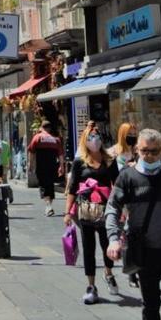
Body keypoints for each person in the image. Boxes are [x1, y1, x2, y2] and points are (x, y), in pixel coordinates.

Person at [106, 128, 161, 320]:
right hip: (145, 251)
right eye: (145, 151)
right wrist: (113, 239)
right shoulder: (128, 177)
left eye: (155, 151)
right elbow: (112, 209)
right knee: (151, 305)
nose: (149, 156)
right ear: (137, 150)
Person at [64, 124, 118, 305]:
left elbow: (117, 185)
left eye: (96, 136)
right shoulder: (80, 162)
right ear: (84, 140)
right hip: (86, 211)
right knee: (88, 248)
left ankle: (108, 272)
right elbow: (72, 188)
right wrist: (67, 212)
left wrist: (122, 208)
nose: (94, 140)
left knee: (107, 246)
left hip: (105, 211)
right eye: (90, 137)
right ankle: (91, 286)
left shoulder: (109, 160)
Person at [28, 119, 65, 216]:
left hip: (41, 166)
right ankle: (49, 206)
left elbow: (31, 152)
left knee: (43, 186)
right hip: (53, 166)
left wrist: (30, 165)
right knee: (50, 185)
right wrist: (61, 167)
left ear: (42, 127)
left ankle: (48, 206)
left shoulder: (37, 137)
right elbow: (61, 155)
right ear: (49, 129)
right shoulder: (56, 140)